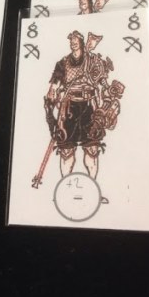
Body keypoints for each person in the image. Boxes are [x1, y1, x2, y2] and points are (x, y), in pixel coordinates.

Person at [44, 31, 124, 193]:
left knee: (92, 149)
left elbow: (104, 84)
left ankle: (93, 189)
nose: (73, 43)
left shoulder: (94, 61)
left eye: (76, 40)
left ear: (81, 42)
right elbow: (54, 86)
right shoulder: (62, 63)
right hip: (68, 108)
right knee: (66, 150)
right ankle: (65, 189)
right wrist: (51, 100)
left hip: (89, 107)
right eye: (71, 40)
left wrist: (109, 97)